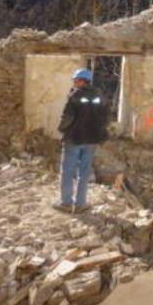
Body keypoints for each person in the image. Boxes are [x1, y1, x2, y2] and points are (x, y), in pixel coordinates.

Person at [56, 68, 108, 212]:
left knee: (67, 171)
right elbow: (106, 118)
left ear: (81, 81)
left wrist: (61, 129)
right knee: (84, 172)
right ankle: (80, 204)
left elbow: (67, 118)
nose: (73, 82)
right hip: (92, 139)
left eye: (75, 80)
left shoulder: (75, 96)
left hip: (74, 138)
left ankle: (66, 203)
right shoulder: (100, 96)